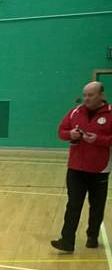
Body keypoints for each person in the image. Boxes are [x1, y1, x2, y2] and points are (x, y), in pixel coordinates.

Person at [51, 82, 111, 253]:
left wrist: (99, 140)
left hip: (100, 169)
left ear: (101, 95)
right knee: (73, 205)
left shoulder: (110, 114)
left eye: (90, 95)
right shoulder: (75, 112)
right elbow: (61, 131)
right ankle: (67, 241)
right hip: (76, 168)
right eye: (85, 95)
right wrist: (70, 134)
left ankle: (92, 236)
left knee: (97, 205)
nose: (86, 98)